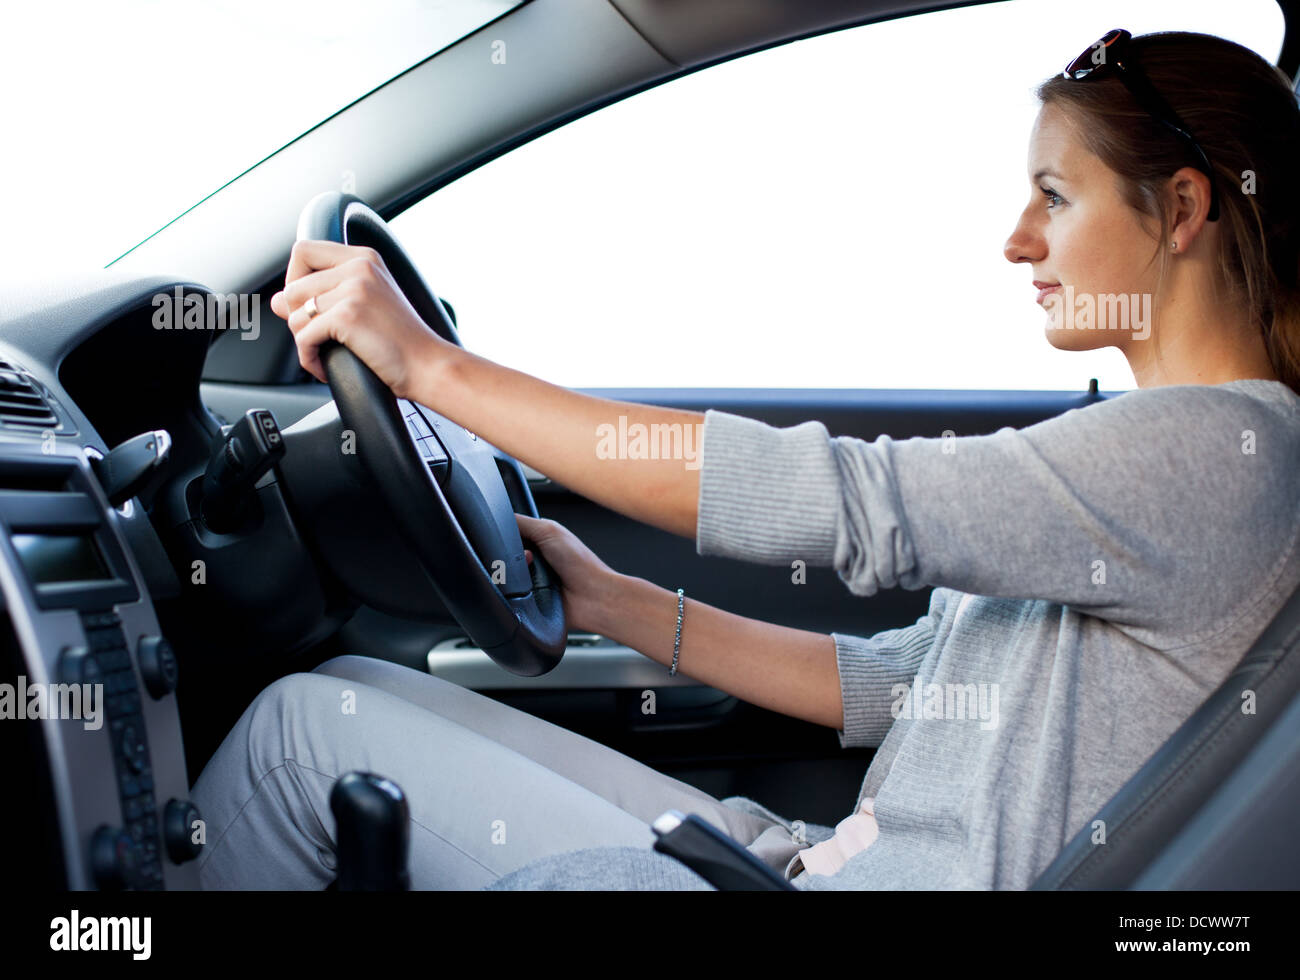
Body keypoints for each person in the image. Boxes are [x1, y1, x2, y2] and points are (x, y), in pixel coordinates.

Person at [192, 29, 1300, 890]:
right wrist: (620, 601)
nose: (1016, 238)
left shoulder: (1215, 450)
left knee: (295, 741)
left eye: (1053, 197)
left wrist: (433, 370)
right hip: (816, 860)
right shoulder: (1179, 448)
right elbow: (911, 687)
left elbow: (846, 503)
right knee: (339, 697)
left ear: (1183, 208)